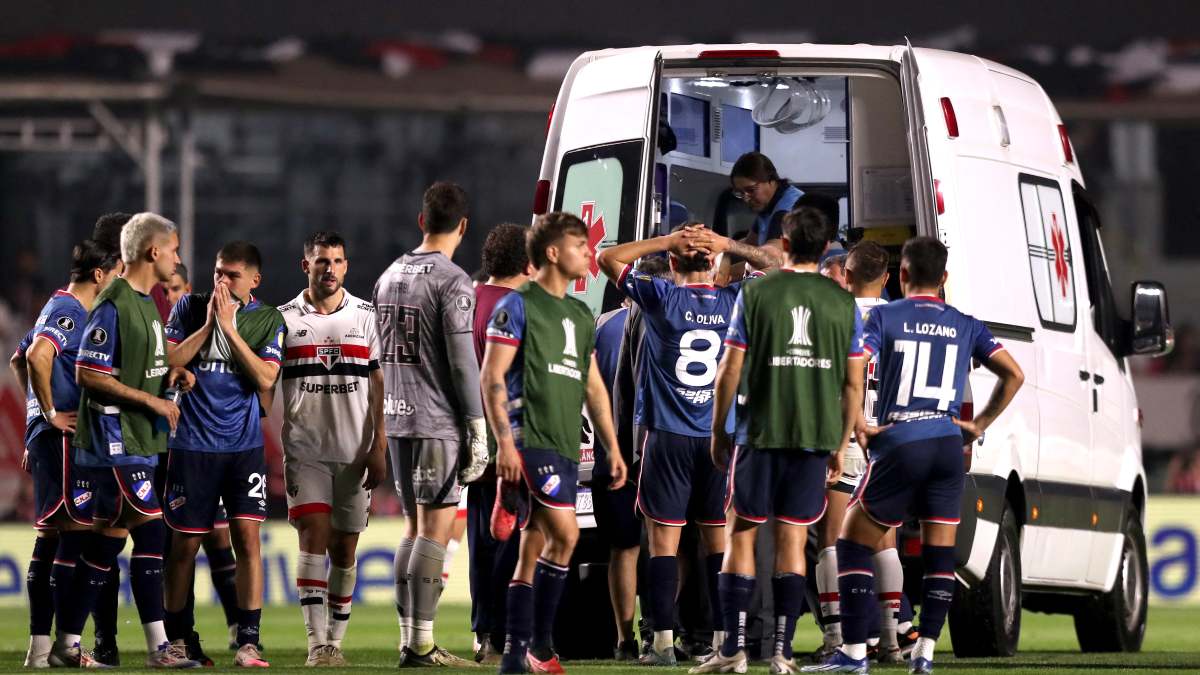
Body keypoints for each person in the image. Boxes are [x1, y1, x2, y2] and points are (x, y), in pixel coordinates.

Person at [804, 237, 1025, 674]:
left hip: (901, 439)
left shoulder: (884, 316)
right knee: (939, 554)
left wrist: (858, 425)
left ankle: (852, 653)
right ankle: (923, 651)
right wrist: (980, 423)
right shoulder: (965, 323)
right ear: (944, 279)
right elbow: (1014, 375)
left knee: (849, 544)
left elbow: (855, 370)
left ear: (901, 275)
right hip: (946, 443)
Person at [597, 223, 779, 665]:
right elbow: (776, 264)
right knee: (720, 544)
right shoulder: (739, 299)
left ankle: (661, 644)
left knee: (663, 544)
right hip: (719, 439)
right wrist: (728, 245)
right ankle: (721, 642)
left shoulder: (659, 296)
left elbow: (606, 258)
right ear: (714, 263)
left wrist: (665, 242)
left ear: (674, 263)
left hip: (668, 439)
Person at [699, 206, 864, 675]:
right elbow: (854, 383)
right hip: (814, 437)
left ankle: (732, 651)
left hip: (760, 432)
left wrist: (718, 430)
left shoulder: (756, 292)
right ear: (825, 247)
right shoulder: (841, 303)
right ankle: (782, 654)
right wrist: (838, 441)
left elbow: (729, 369)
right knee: (794, 539)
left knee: (742, 532)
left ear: (785, 245)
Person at [482, 212, 628, 674]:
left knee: (533, 548)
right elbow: (491, 378)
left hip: (565, 441)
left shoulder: (580, 314)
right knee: (566, 534)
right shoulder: (518, 304)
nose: (589, 253)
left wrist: (613, 446)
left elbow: (594, 387)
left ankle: (513, 655)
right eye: (579, 246)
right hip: (532, 438)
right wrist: (505, 445)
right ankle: (540, 649)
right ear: (551, 253)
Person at [65, 212, 199, 668]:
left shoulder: (147, 302)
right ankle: (160, 648)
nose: (178, 258)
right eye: (174, 249)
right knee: (152, 530)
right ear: (153, 251)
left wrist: (173, 376)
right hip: (112, 439)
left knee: (107, 542)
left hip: (140, 439)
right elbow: (89, 372)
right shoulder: (114, 301)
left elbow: (150, 365)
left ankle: (65, 644)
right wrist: (154, 402)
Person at [373, 182, 488, 667]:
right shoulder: (454, 280)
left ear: (422, 221)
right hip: (437, 420)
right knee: (435, 531)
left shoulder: (386, 276)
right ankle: (421, 644)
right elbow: (463, 364)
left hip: (398, 418)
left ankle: (409, 639)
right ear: (463, 226)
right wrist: (478, 427)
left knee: (413, 528)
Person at [161, 241, 284, 667]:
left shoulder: (268, 319)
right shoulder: (188, 309)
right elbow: (168, 360)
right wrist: (211, 324)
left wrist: (230, 331)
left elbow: (267, 377)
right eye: (217, 272)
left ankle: (248, 640)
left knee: (247, 540)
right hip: (192, 446)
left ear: (254, 280)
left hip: (243, 448)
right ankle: (177, 638)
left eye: (231, 274)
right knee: (184, 546)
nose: (222, 281)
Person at [9, 239, 121, 667]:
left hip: (45, 438)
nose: (115, 282)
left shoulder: (51, 306)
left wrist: (35, 419)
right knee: (74, 536)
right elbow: (37, 356)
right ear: (99, 274)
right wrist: (51, 414)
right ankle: (65, 648)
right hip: (61, 439)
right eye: (113, 275)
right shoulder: (71, 311)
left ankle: (39, 650)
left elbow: (18, 360)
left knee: (50, 537)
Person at [278, 231, 387, 667]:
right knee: (313, 537)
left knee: (345, 549)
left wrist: (379, 443)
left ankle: (335, 642)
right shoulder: (283, 319)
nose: (330, 268)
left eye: (338, 261)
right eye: (322, 261)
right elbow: (268, 382)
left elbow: (378, 382)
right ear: (306, 266)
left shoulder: (366, 316)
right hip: (305, 451)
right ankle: (316, 644)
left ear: (346, 266)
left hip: (356, 452)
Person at [810, 241, 910, 663]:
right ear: (887, 278)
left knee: (832, 539)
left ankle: (838, 636)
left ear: (845, 278)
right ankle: (891, 639)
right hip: (891, 440)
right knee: (884, 540)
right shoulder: (902, 319)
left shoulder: (833, 318)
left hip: (847, 436)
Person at [469, 223, 530, 663]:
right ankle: (506, 634)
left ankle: (482, 632)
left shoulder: (465, 300)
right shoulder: (518, 306)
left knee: (481, 542)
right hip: (509, 438)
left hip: (471, 441)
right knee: (512, 541)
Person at [730, 152, 804, 252]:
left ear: (772, 181)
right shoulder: (767, 205)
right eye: (740, 193)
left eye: (751, 190)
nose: (746, 199)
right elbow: (750, 244)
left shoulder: (787, 211)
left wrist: (727, 245)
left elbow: (770, 256)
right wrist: (716, 248)